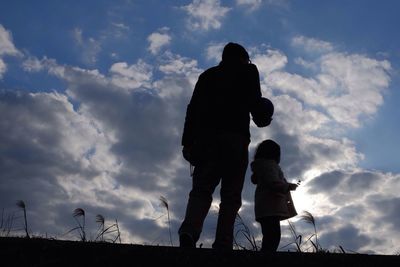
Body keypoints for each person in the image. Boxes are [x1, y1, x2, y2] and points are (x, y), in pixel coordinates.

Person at [178, 42, 273, 249]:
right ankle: (222, 243)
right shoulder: (248, 71)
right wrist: (264, 116)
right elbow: (255, 103)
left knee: (201, 191)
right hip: (235, 139)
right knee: (230, 195)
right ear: (243, 58)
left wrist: (187, 142)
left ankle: (188, 231)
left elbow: (192, 109)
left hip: (206, 141)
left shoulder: (207, 76)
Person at [250, 139, 298, 252]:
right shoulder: (270, 166)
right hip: (271, 207)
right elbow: (273, 183)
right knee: (273, 236)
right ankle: (267, 258)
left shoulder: (261, 167)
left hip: (264, 208)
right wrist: (288, 186)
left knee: (269, 235)